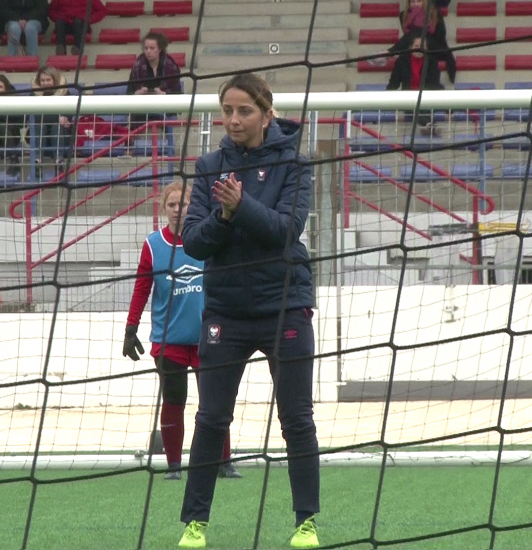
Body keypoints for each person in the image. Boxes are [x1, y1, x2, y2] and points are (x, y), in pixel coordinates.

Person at [176, 73, 319, 549]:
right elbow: (193, 241)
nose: (233, 120)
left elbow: (286, 230)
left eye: (244, 111)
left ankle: (306, 523)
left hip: (285, 306)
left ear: (266, 114)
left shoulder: (296, 163)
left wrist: (241, 205)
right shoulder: (210, 165)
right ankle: (195, 525)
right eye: (228, 110)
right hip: (226, 311)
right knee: (211, 419)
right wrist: (224, 215)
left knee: (296, 419)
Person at [123, 182, 241, 482]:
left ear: (193, 206)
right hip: (169, 340)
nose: (178, 210)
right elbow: (142, 287)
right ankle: (174, 466)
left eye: (184, 204)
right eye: (172, 205)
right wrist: (131, 327)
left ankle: (224, 461)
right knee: (174, 398)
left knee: (214, 401)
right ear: (164, 209)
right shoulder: (153, 245)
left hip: (208, 335)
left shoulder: (207, 237)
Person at [386, 33, 443, 135]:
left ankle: (427, 125)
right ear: (410, 47)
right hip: (409, 95)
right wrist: (387, 94)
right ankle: (430, 125)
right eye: (416, 46)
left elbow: (434, 83)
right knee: (410, 107)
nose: (419, 49)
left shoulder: (432, 61)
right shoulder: (402, 61)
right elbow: (394, 82)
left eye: (422, 46)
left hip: (427, 95)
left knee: (423, 105)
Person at [31, 66, 74, 171]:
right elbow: (35, 117)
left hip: (61, 137)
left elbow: (68, 116)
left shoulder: (66, 95)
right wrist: (57, 117)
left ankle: (59, 161)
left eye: (48, 80)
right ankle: (37, 161)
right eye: (42, 80)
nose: (45, 83)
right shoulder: (33, 95)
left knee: (56, 126)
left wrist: (48, 117)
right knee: (42, 126)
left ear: (54, 80)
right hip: (40, 135)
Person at [0, 74, 25, 177]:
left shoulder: (15, 100)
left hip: (11, 135)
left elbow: (21, 119)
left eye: (0, 87)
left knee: (2, 125)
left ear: (6, 88)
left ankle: (13, 160)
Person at [127, 31, 182, 96]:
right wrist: (136, 94)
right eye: (146, 48)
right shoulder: (137, 65)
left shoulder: (171, 66)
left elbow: (177, 93)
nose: (148, 51)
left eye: (152, 48)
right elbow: (129, 92)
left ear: (160, 49)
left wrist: (165, 94)